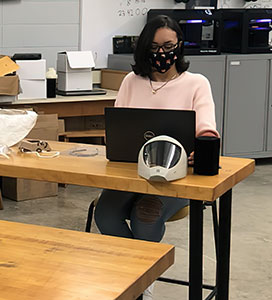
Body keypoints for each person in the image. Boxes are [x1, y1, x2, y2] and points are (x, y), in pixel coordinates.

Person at [93, 15, 220, 299]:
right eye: (154, 47)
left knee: (145, 216)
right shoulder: (131, 81)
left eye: (168, 46)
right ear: (144, 49)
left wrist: (202, 146)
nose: (162, 54)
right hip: (131, 172)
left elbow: (208, 130)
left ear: (180, 46)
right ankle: (136, 277)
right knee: (105, 214)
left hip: (176, 176)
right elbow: (118, 127)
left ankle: (141, 288)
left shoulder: (196, 83)